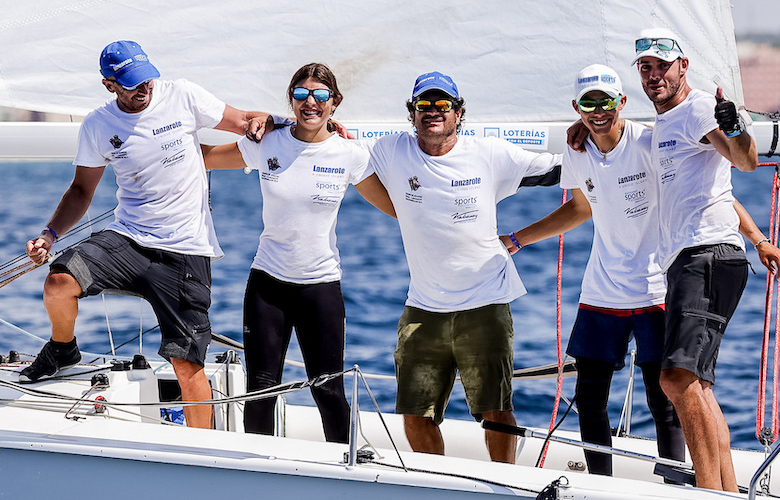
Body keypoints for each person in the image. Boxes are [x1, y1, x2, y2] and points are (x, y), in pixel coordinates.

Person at [567, 28, 780, 490]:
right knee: (694, 384)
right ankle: (721, 488)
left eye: (662, 64)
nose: (653, 73)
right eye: (645, 66)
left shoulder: (699, 107)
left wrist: (734, 124)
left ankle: (707, 490)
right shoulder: (663, 125)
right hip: (694, 258)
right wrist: (759, 239)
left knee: (676, 380)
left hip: (705, 255)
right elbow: (714, 190)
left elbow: (743, 163)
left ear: (683, 65)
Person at [22, 40, 272, 429]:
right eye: (133, 84)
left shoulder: (183, 95)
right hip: (130, 238)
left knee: (187, 365)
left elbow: (246, 120)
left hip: (185, 249)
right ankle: (62, 348)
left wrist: (304, 127)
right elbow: (81, 190)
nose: (145, 88)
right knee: (59, 280)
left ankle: (202, 453)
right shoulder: (98, 125)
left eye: (147, 79)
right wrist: (50, 234)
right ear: (109, 85)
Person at [360, 71, 561, 463]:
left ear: (459, 112)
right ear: (412, 113)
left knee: (496, 412)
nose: (433, 112)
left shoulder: (489, 154)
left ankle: (504, 486)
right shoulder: (389, 150)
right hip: (422, 308)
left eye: (442, 105)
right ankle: (437, 484)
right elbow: (331, 146)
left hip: (485, 304)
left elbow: (559, 169)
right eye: (424, 105)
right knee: (415, 413)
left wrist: (596, 132)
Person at [504, 64, 685, 476]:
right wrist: (516, 240)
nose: (598, 110)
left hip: (656, 288)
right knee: (589, 397)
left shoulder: (650, 141)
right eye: (588, 103)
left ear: (622, 102)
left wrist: (756, 238)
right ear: (576, 107)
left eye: (606, 101)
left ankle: (674, 477)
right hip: (602, 289)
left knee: (664, 398)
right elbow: (581, 206)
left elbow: (700, 187)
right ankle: (599, 483)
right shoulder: (577, 147)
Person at [202, 63, 395, 443]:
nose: (311, 102)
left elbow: (395, 206)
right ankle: (257, 476)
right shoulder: (268, 143)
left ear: (335, 103)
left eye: (321, 95)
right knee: (260, 390)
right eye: (302, 94)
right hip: (267, 285)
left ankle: (343, 474)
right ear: (290, 99)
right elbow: (204, 157)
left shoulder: (349, 154)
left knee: (328, 390)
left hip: (319, 287)